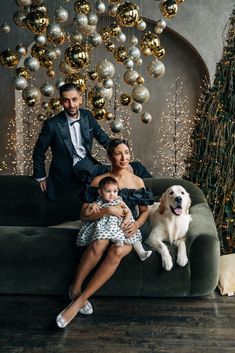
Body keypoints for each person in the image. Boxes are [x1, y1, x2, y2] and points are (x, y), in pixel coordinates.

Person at [56, 138, 154, 328]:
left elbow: (144, 212)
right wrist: (107, 210)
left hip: (126, 226)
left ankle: (78, 301)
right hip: (102, 224)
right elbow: (84, 214)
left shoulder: (137, 181)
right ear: (110, 157)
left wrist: (137, 225)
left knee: (116, 251)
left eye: (126, 152)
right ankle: (75, 287)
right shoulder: (99, 181)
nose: (123, 157)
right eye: (118, 153)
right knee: (99, 243)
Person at [33, 83, 152, 200]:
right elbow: (38, 152)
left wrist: (122, 159)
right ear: (61, 101)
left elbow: (103, 138)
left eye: (74, 99)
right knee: (128, 171)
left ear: (80, 99)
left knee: (136, 167)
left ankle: (157, 198)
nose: (71, 105)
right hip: (68, 170)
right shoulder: (52, 124)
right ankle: (153, 198)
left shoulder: (87, 116)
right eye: (66, 100)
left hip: (89, 164)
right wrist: (40, 176)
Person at [77, 175, 152, 261]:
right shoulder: (98, 202)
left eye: (115, 191)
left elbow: (129, 212)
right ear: (100, 192)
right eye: (108, 191)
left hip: (121, 224)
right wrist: (90, 206)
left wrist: (126, 221)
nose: (112, 194)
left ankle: (141, 252)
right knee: (109, 228)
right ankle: (116, 240)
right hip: (107, 225)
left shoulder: (119, 201)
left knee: (133, 236)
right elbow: (86, 215)